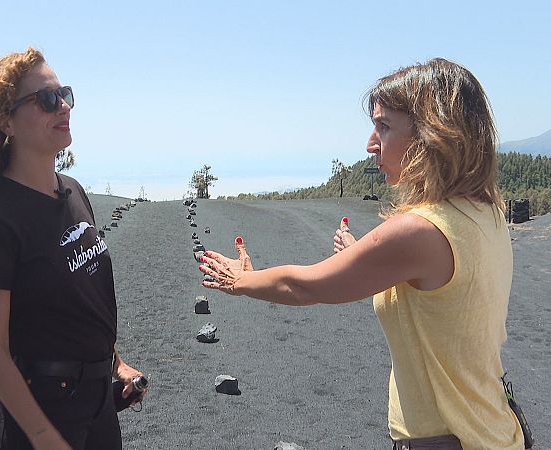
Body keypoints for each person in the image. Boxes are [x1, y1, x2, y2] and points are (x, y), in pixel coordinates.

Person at [200, 58, 525, 449]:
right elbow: (439, 303)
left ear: (432, 135)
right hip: (495, 431)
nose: (371, 143)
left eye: (384, 126)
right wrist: (362, 255)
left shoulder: (420, 231)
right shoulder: (485, 213)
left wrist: (241, 280)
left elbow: (306, 287)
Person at [0, 48, 144, 450]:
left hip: (95, 407)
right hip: (37, 418)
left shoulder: (72, 192)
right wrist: (43, 436)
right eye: (46, 99)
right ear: (6, 121)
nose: (63, 107)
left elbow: (82, 302)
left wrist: (115, 364)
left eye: (65, 95)